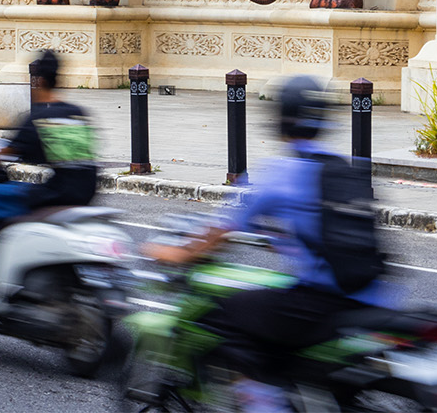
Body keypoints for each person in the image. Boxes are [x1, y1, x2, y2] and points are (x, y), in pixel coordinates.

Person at [143, 75, 383, 413]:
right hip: (373, 298)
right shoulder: (346, 168)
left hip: (323, 302)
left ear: (280, 118)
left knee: (224, 314)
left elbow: (218, 231)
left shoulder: (278, 172)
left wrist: (174, 252)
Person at [0, 50, 98, 304]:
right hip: (86, 193)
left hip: (55, 194)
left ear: (38, 81)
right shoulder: (78, 113)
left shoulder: (38, 118)